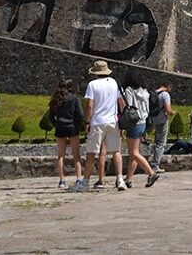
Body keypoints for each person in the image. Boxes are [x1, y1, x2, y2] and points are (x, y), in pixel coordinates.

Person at [70, 60, 127, 192]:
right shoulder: (114, 83)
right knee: (116, 151)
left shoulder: (93, 85)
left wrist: (87, 121)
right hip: (112, 121)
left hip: (97, 122)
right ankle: (120, 179)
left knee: (91, 153)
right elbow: (121, 103)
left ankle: (85, 182)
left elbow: (90, 105)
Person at [122, 71, 160, 188]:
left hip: (134, 122)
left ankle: (151, 173)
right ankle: (128, 178)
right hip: (143, 122)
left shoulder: (129, 90)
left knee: (133, 152)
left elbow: (128, 106)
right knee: (135, 152)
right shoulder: (144, 91)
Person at [48, 79, 84, 189]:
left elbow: (50, 116)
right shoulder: (75, 98)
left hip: (60, 127)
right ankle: (78, 179)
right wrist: (77, 125)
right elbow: (81, 114)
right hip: (72, 127)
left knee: (61, 155)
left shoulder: (56, 99)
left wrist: (56, 124)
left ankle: (62, 180)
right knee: (76, 155)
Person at [149, 83, 174, 173]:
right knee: (161, 143)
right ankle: (155, 165)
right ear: (168, 87)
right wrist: (172, 113)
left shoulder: (154, 93)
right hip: (162, 120)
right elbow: (168, 109)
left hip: (153, 119)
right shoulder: (165, 95)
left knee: (156, 141)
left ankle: (153, 161)